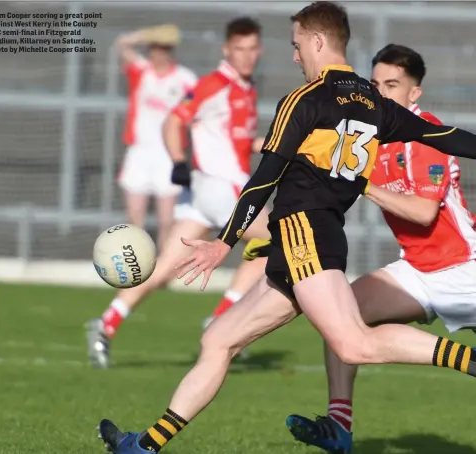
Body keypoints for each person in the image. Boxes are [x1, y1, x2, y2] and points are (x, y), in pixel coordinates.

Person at [96, 3, 476, 453]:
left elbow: (264, 177)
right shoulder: (373, 103)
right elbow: (447, 136)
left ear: (317, 41)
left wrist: (224, 243)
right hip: (303, 239)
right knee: (217, 340)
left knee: (353, 344)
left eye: (297, 45)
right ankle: (144, 446)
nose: (295, 56)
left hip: (305, 237)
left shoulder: (306, 99)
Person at [281, 44, 476, 454]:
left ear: (414, 93)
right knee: (343, 315)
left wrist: (362, 183)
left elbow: (423, 213)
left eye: (392, 85)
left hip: (465, 270)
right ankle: (339, 425)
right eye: (375, 84)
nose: (381, 93)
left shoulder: (426, 136)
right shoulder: (371, 137)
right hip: (419, 271)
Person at [86, 17, 269, 368]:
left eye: (252, 49)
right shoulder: (214, 84)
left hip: (202, 197)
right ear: (226, 50)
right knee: (282, 240)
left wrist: (279, 145)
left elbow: (237, 142)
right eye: (239, 49)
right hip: (222, 190)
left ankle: (106, 324)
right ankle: (223, 317)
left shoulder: (244, 88)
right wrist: (179, 160)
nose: (246, 56)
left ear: (259, 50)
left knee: (163, 267)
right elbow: (174, 121)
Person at [116, 24, 197, 250]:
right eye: (155, 48)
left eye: (163, 49)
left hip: (167, 156)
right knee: (135, 216)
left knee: (167, 220)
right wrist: (147, 35)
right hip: (140, 152)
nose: (158, 54)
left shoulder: (185, 79)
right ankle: (138, 267)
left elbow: (194, 111)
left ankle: (162, 271)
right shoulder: (142, 71)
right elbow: (122, 44)